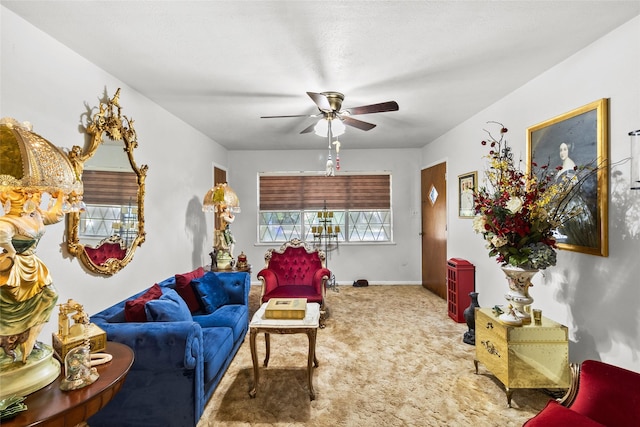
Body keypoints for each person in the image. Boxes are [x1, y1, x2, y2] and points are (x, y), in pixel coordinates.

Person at [0, 189, 65, 363]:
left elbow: (54, 216)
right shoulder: (9, 221)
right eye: (33, 194)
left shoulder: (35, 215)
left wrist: (60, 196)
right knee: (10, 309)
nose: (38, 196)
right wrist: (11, 251)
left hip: (33, 266)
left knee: (50, 295)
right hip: (15, 267)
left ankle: (29, 339)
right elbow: (2, 235)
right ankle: (12, 344)